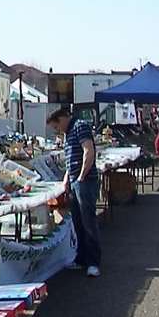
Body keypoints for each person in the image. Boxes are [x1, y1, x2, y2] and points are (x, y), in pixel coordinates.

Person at [47, 108, 101, 278]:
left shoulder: (80, 126)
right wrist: (67, 180)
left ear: (63, 118)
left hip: (84, 181)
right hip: (76, 181)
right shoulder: (69, 133)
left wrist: (81, 176)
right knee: (77, 221)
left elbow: (88, 150)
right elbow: (71, 160)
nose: (57, 130)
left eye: (57, 126)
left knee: (88, 221)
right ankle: (82, 258)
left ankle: (93, 262)